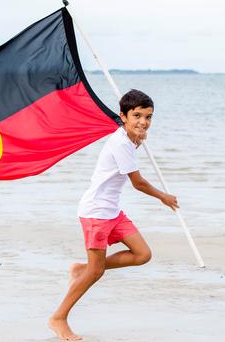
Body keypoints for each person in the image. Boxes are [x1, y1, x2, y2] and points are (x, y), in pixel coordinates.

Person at [48, 89, 179, 341]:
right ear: (123, 116)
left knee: (142, 254)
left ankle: (82, 269)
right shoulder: (120, 142)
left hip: (112, 212)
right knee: (96, 273)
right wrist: (163, 196)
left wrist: (137, 139)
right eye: (137, 115)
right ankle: (58, 318)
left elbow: (129, 160)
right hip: (96, 212)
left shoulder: (128, 140)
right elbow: (137, 183)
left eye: (148, 117)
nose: (143, 121)